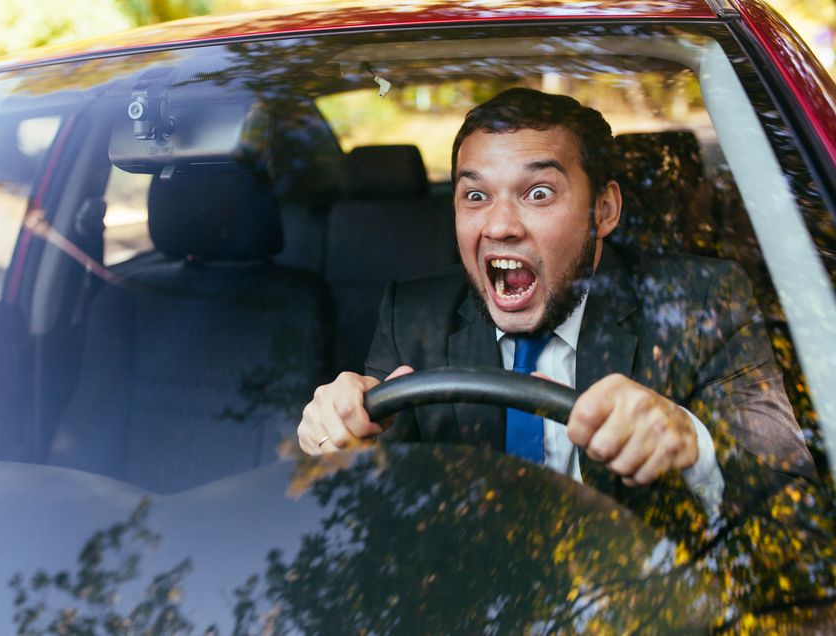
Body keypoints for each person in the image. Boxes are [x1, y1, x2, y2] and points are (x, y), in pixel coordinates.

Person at [297, 88, 815, 520]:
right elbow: (379, 505)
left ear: (604, 209)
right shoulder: (411, 315)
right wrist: (340, 436)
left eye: (538, 193)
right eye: (475, 196)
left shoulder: (704, 303)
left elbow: (791, 504)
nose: (499, 226)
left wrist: (693, 445)